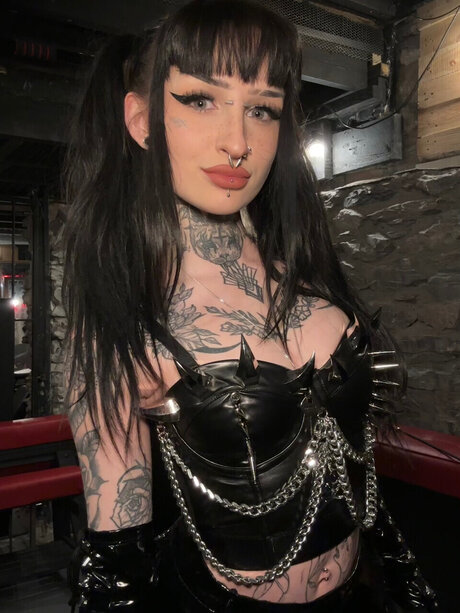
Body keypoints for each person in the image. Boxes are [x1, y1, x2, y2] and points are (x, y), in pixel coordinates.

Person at [63, 1, 439, 611]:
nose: (238, 142)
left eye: (262, 109)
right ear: (142, 121)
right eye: (200, 100)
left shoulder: (308, 272)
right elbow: (115, 563)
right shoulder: (123, 321)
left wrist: (409, 587)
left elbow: (359, 482)